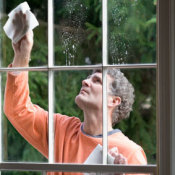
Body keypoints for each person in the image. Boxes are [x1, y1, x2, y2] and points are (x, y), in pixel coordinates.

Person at [4, 12, 147, 175]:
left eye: (97, 81)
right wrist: (22, 57)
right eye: (88, 78)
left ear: (114, 101)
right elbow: (17, 110)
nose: (85, 82)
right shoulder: (61, 130)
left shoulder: (130, 153)